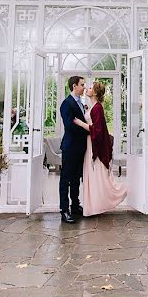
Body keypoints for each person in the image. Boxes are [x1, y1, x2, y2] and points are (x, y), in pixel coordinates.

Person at [82, 81, 127, 216]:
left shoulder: (97, 108)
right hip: (90, 143)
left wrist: (79, 123)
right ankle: (93, 206)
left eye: (90, 88)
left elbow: (97, 130)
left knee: (96, 175)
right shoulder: (93, 107)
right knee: (93, 175)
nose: (87, 88)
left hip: (93, 144)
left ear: (95, 93)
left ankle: (121, 191)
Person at [59, 75, 90, 223]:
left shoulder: (81, 103)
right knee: (66, 179)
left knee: (76, 178)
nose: (84, 87)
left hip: (80, 147)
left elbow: (80, 121)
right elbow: (70, 126)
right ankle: (64, 210)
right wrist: (88, 130)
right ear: (74, 86)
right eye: (82, 85)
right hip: (70, 147)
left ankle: (75, 206)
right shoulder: (66, 104)